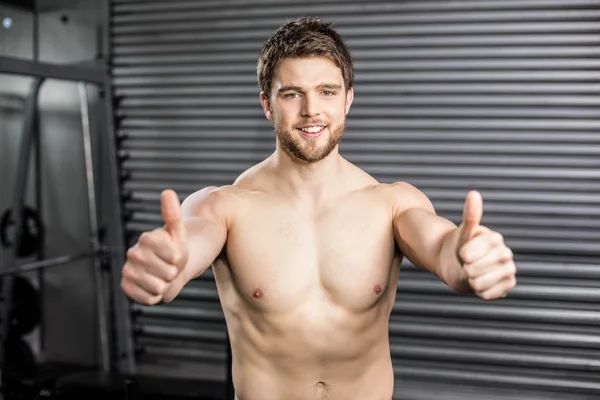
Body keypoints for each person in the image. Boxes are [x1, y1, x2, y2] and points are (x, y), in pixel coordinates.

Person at [120, 17, 517, 400]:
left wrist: (469, 261)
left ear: (348, 99)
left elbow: (444, 248)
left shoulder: (392, 204)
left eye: (327, 91)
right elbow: (185, 250)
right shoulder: (224, 206)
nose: (311, 109)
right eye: (292, 93)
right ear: (266, 104)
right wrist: (166, 270)